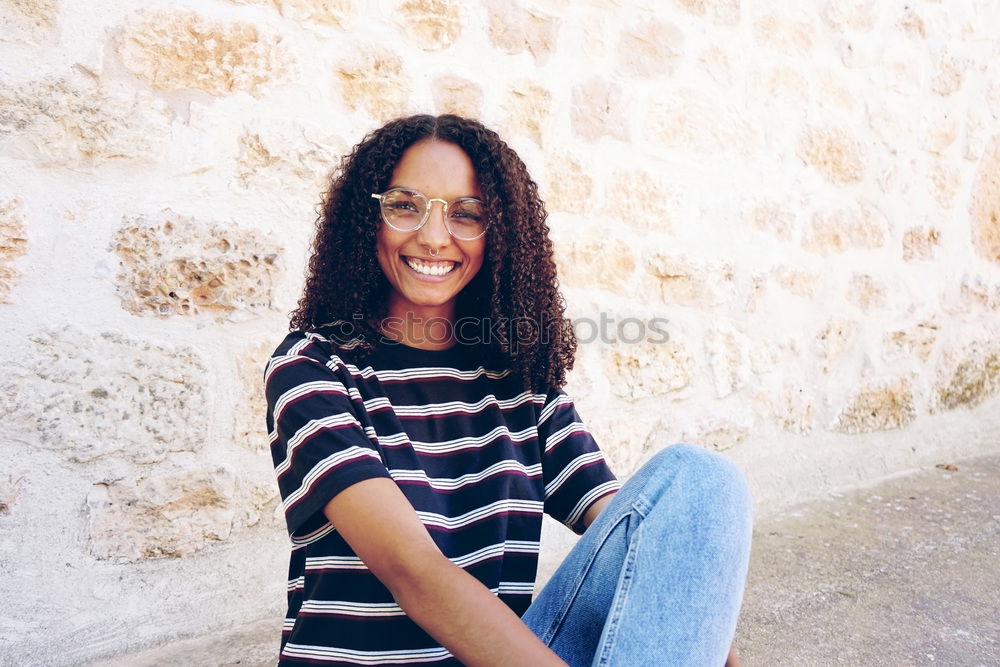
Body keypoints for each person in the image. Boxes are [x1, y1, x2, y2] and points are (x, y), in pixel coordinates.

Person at [264, 114, 752, 666]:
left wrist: (703, 646)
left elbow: (633, 538)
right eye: (404, 205)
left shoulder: (518, 379)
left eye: (466, 214)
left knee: (699, 480)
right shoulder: (313, 368)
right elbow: (414, 571)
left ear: (500, 235)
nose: (432, 236)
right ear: (364, 218)